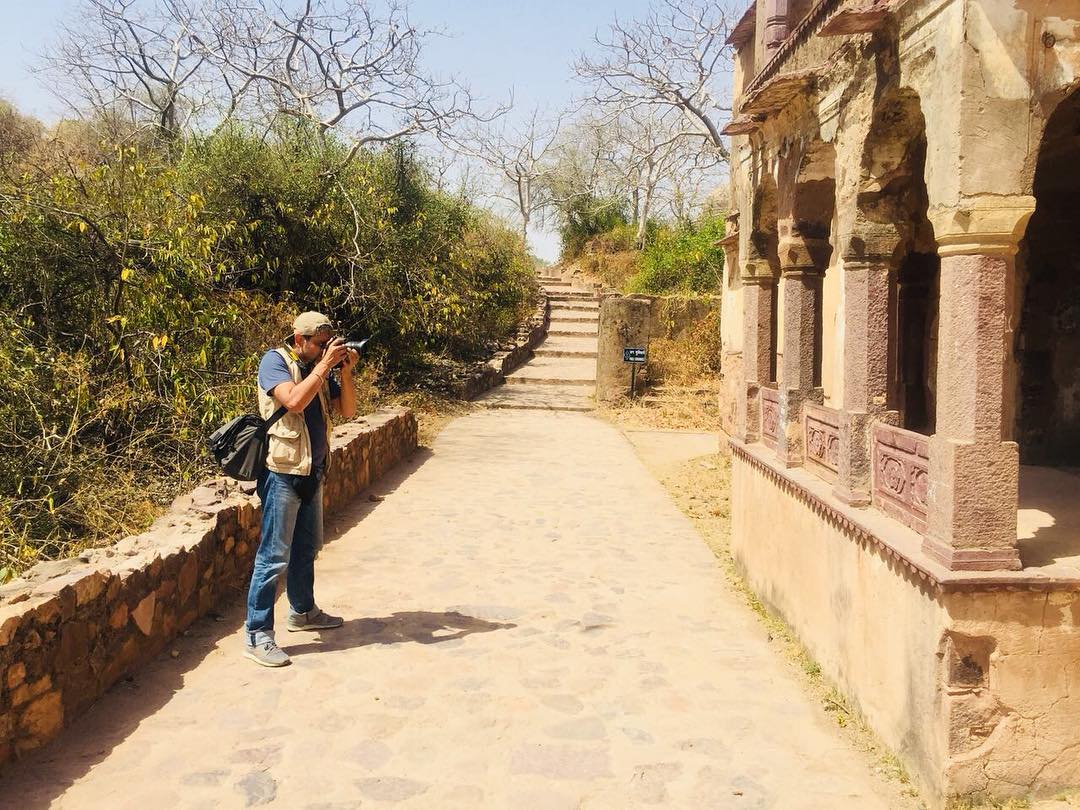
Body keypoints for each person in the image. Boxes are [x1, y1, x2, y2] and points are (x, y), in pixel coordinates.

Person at [244, 311, 358, 667]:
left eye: (329, 343)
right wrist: (325, 366)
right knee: (273, 555)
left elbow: (349, 411)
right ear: (300, 339)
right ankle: (257, 634)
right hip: (282, 473)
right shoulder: (274, 362)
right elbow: (292, 401)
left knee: (307, 548)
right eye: (321, 344)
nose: (326, 349)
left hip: (313, 471)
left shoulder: (320, 369)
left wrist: (346, 372)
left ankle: (302, 611)